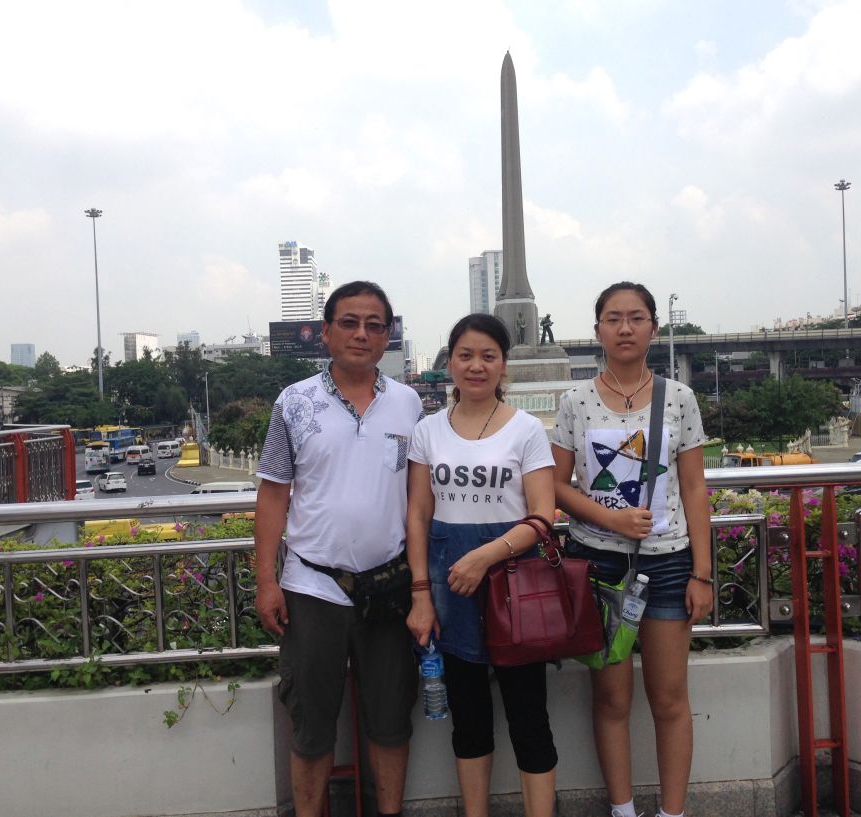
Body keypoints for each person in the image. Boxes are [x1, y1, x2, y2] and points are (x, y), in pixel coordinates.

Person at [254, 281, 423, 817]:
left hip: (388, 587)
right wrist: (266, 580)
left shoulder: (408, 403)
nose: (362, 334)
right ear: (326, 332)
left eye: (375, 325)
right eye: (349, 322)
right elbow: (274, 491)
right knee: (311, 723)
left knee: (392, 720)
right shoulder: (294, 402)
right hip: (311, 587)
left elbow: (419, 498)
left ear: (388, 336)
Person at [550, 282, 713, 817]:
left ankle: (672, 812)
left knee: (669, 699)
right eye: (613, 318)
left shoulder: (679, 397)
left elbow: (693, 488)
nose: (624, 328)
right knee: (612, 698)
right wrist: (610, 518)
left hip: (668, 564)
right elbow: (556, 485)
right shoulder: (574, 401)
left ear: (653, 329)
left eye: (636, 318)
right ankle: (622, 810)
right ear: (597, 329)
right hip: (596, 563)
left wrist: (703, 574)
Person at [406, 313, 558, 817]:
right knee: (468, 719)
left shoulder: (527, 430)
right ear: (449, 361)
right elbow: (419, 514)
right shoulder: (427, 431)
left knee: (528, 717)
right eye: (466, 355)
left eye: (488, 356)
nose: (476, 366)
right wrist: (421, 595)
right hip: (451, 588)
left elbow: (542, 517)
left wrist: (484, 556)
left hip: (515, 586)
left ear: (503, 365)